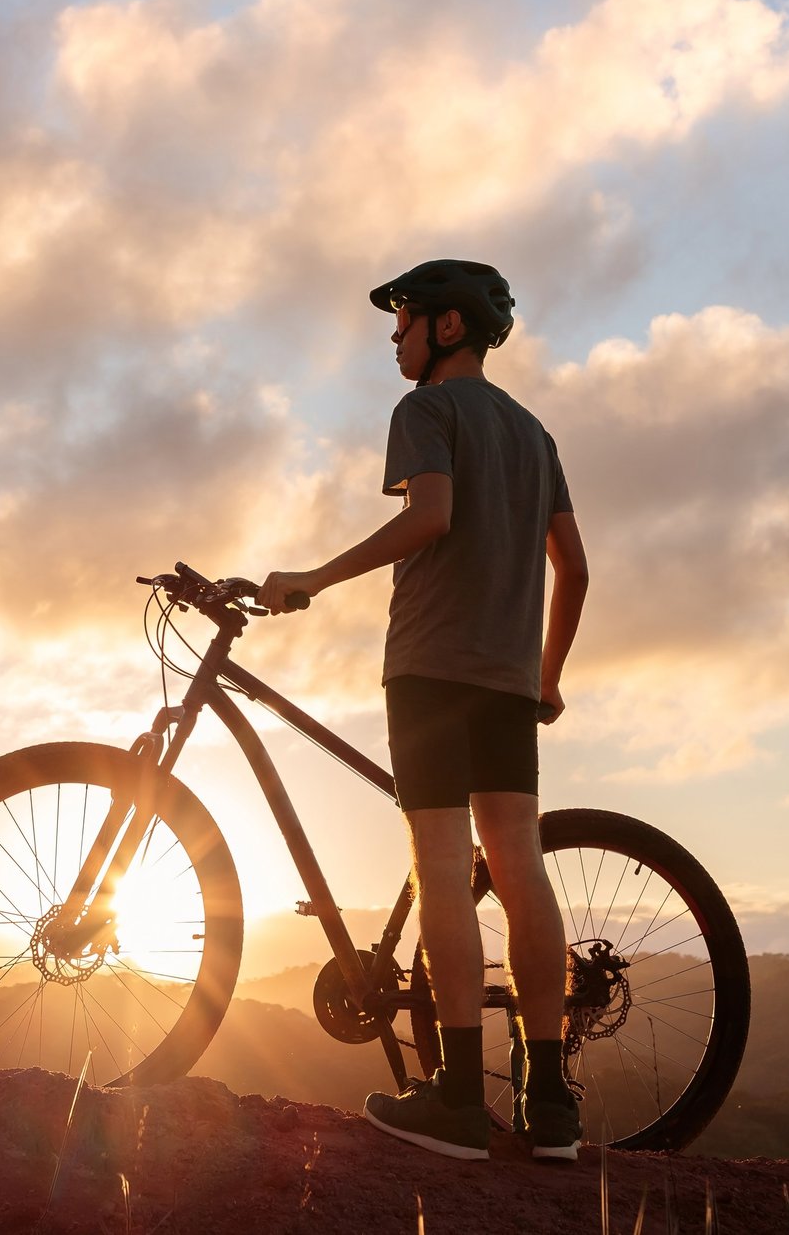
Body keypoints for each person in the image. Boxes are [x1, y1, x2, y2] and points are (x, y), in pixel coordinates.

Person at [258, 259, 589, 1163]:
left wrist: (313, 579)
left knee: (444, 869)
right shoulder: (534, 432)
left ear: (446, 328)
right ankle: (550, 1103)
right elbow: (577, 566)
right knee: (518, 868)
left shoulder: (426, 412)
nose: (393, 339)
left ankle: (455, 1103)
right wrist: (547, 673)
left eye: (402, 321)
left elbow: (430, 514)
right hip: (508, 680)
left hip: (433, 669)